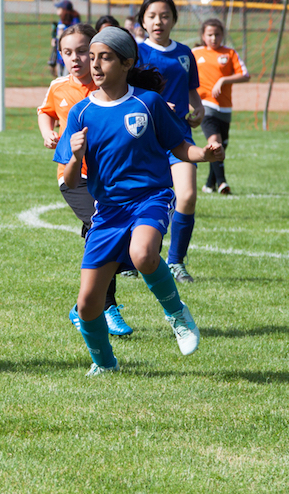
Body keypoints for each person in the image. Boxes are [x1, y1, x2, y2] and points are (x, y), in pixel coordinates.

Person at [53, 27, 224, 376]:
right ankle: (105, 363)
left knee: (143, 253)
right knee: (87, 305)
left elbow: (180, 148)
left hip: (150, 197)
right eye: (92, 57)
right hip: (108, 210)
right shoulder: (81, 114)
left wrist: (205, 155)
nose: (94, 64)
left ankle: (177, 314)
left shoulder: (148, 103)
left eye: (105, 57)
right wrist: (74, 157)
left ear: (127, 63)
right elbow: (69, 181)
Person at [38, 23, 133, 337]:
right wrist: (47, 132)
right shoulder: (59, 86)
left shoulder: (108, 85)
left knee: (115, 240)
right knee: (108, 236)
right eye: (68, 52)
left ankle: (84, 308)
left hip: (108, 177)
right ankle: (105, 310)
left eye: (82, 51)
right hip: (74, 177)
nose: (76, 59)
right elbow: (45, 110)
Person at [137, 0, 204, 283]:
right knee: (136, 199)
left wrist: (198, 108)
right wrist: (158, 104)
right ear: (142, 21)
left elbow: (191, 90)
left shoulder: (185, 53)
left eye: (165, 16)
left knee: (187, 196)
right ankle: (129, 257)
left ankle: (175, 261)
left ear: (174, 20)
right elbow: (129, 91)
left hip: (178, 137)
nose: (158, 21)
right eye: (151, 16)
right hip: (142, 138)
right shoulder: (135, 52)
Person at [192, 18, 250, 195]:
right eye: (209, 34)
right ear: (203, 35)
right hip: (205, 106)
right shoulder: (195, 53)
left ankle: (209, 184)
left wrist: (223, 80)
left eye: (217, 34)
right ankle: (223, 183)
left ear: (222, 35)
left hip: (225, 108)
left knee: (222, 147)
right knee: (215, 143)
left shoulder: (229, 53)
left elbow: (245, 75)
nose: (213, 38)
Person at [49, 0, 81, 77]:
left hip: (69, 54)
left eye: (59, 8)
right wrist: (55, 39)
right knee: (60, 77)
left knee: (67, 77)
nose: (57, 9)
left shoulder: (74, 21)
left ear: (64, 10)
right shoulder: (61, 21)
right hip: (60, 54)